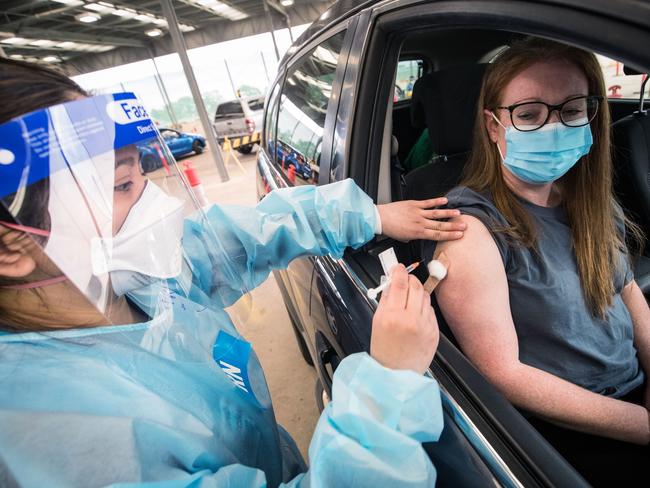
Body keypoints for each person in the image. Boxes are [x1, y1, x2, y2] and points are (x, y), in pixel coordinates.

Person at [0, 58, 466, 486]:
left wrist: (372, 217)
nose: (155, 206)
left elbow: (247, 234)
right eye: (120, 187)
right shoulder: (63, 443)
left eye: (141, 174)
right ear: (11, 246)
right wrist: (386, 391)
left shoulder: (134, 281)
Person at [431, 38, 650, 486]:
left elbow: (628, 293)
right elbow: (504, 374)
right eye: (529, 115)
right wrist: (642, 425)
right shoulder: (472, 230)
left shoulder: (585, 198)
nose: (554, 128)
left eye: (571, 111)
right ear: (493, 126)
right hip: (577, 430)